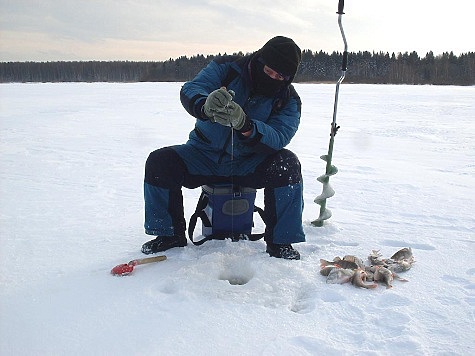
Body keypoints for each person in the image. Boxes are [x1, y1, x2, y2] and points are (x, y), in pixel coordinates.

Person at [142, 36, 305, 260]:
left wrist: (246, 125)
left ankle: (281, 242)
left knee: (287, 164)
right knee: (160, 162)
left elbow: (279, 136)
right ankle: (168, 235)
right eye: (269, 71)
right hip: (202, 155)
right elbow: (192, 88)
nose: (273, 78)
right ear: (259, 60)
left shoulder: (288, 99)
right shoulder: (226, 68)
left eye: (280, 77)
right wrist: (205, 104)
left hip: (248, 163)